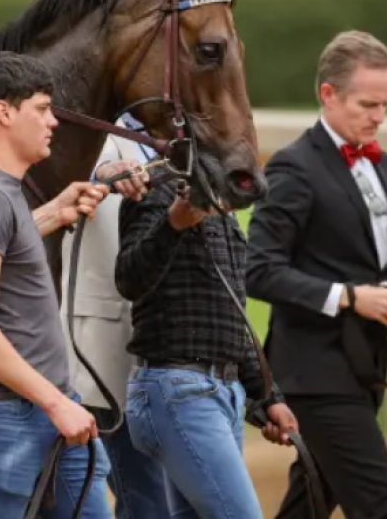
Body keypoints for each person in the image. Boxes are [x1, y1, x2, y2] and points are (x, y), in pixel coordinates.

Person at [0, 51, 119, 518]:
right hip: (8, 417)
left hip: (47, 413)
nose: (53, 121)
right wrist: (56, 403)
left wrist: (54, 213)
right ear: (3, 112)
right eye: (41, 108)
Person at [245, 30, 387, 519]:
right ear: (328, 94)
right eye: (368, 104)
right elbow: (256, 270)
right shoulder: (293, 168)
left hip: (368, 365)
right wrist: (348, 297)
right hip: (313, 372)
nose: (380, 116)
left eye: (386, 104)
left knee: (312, 502)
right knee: (380, 504)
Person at [116, 166, 299, 519]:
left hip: (222, 394)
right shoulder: (158, 192)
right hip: (178, 390)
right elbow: (128, 279)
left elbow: (231, 318)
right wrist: (173, 224)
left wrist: (268, 397)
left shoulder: (226, 216)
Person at [60, 126, 170, 519]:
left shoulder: (172, 134)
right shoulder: (96, 122)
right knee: (145, 497)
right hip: (98, 354)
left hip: (159, 353)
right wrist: (105, 170)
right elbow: (68, 165)